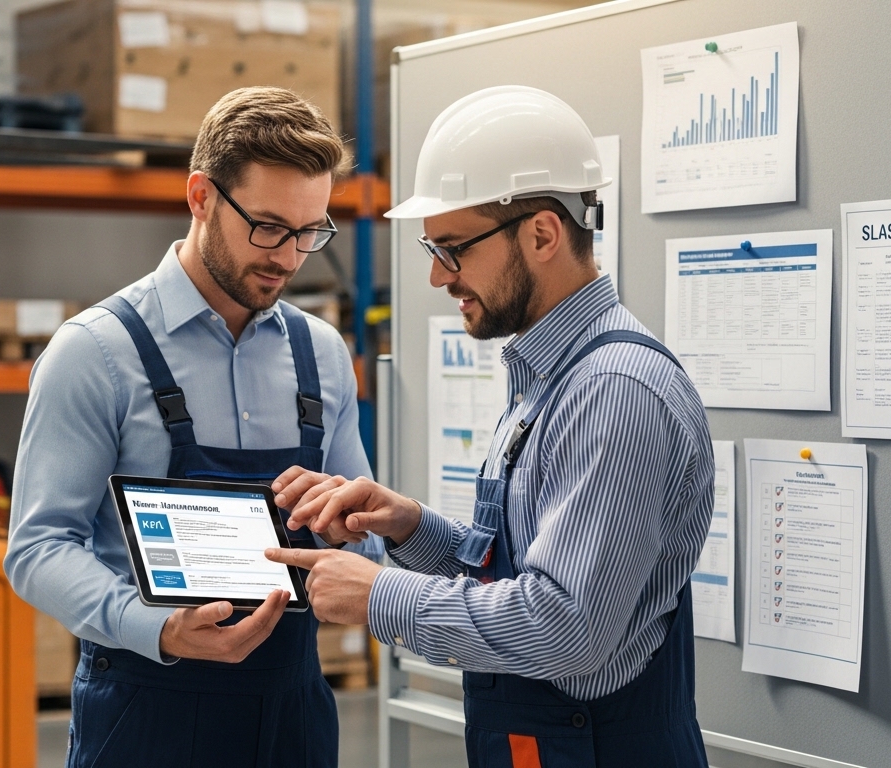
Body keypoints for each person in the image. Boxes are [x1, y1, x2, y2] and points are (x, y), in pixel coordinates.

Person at [265, 86, 714, 767]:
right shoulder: (551, 374)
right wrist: (410, 528)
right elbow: (515, 571)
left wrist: (382, 595)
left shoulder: (613, 391)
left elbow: (568, 627)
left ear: (541, 234)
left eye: (453, 248)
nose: (437, 277)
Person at [4, 86, 383, 768]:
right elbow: (36, 549)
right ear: (202, 197)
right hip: (148, 710)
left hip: (291, 712)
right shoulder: (94, 352)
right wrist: (161, 629)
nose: (288, 258)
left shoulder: (321, 353)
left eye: (309, 232)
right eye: (267, 227)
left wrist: (347, 531)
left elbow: (366, 540)